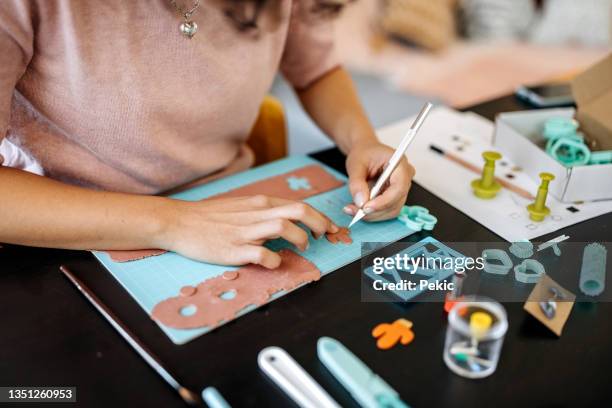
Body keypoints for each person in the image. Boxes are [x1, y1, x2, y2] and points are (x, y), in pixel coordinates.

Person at [0, 0, 414, 269]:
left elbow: (316, 70)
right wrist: (173, 222)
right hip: (66, 234)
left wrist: (361, 139)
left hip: (227, 203)